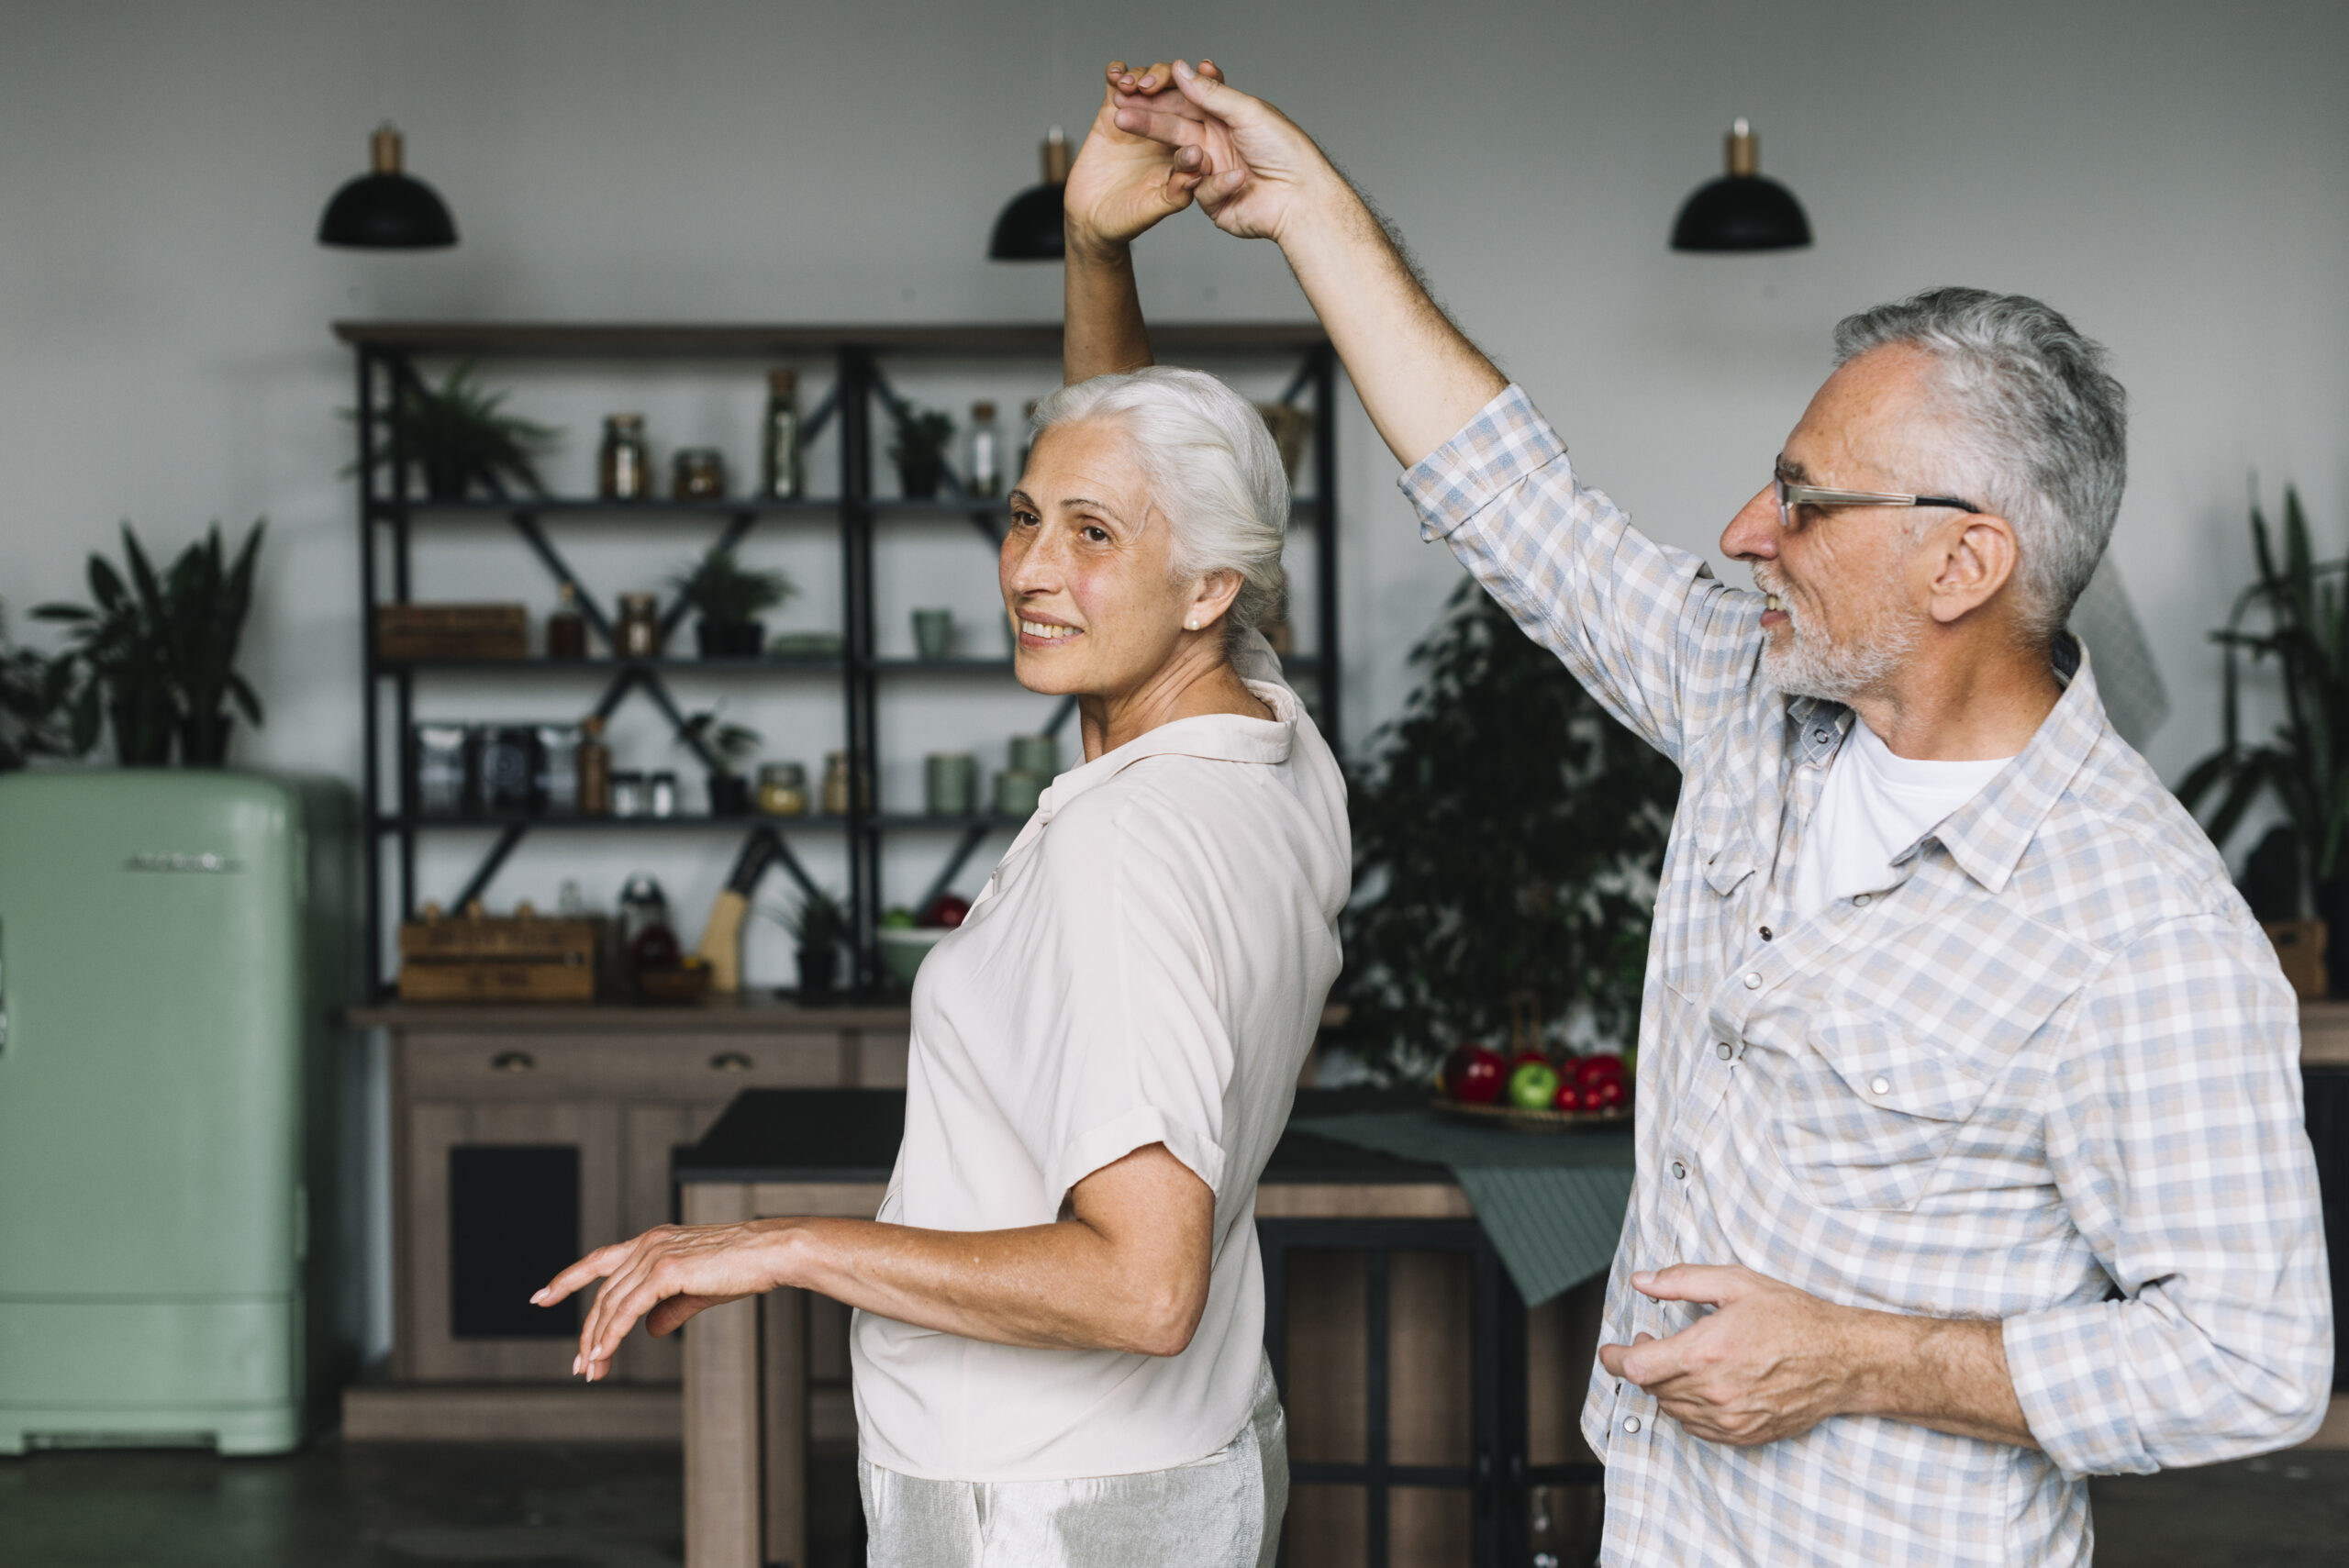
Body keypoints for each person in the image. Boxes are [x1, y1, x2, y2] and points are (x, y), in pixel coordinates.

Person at [1063, 57, 2334, 1566]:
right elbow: (1511, 496)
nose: (1746, 532)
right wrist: (1303, 209)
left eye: (1804, 499)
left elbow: (2252, 1358)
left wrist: (1859, 1354)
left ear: (1963, 565)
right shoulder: (1753, 696)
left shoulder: (2141, 925)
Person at [534, 362, 1348, 1567]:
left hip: (1042, 1506)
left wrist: (784, 1244)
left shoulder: (1122, 843)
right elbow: (1133, 446)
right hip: (1185, 1458)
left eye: (1090, 534)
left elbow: (1144, 1287)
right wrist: (1092, 240)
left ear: (1210, 587)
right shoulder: (1276, 746)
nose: (1029, 568)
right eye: (1025, 515)